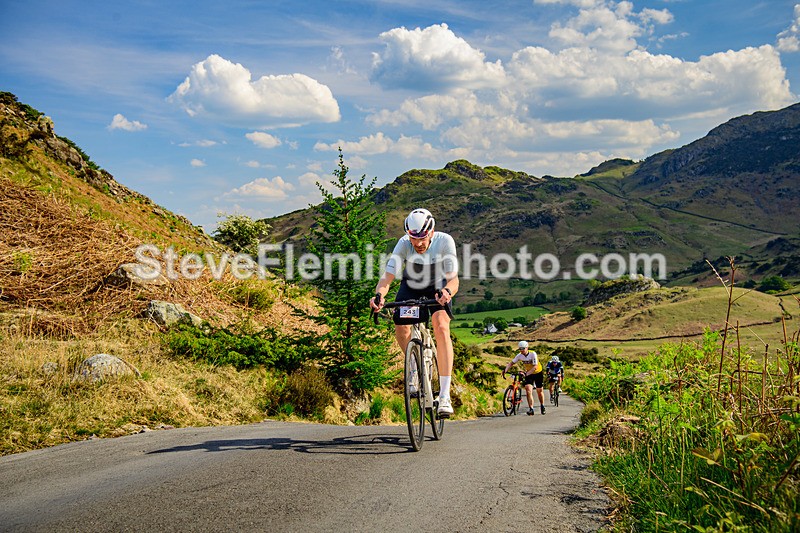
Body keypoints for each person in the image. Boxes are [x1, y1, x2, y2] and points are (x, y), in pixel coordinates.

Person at [370, 208, 459, 418]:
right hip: (411, 283)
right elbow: (387, 278)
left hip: (437, 285)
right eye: (413, 238)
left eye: (422, 238)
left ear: (432, 231)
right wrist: (379, 296)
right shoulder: (403, 244)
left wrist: (447, 292)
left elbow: (453, 279)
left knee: (441, 325)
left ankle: (444, 395)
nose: (418, 244)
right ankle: (413, 366)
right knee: (400, 324)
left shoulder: (445, 241)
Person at [502, 340, 545, 415]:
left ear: (527, 348)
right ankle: (531, 408)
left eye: (523, 348)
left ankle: (542, 405)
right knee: (528, 390)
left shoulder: (532, 354)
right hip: (529, 374)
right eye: (520, 349)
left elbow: (535, 367)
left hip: (538, 372)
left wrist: (526, 374)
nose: (522, 350)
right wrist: (505, 370)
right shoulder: (519, 355)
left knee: (539, 391)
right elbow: (511, 363)